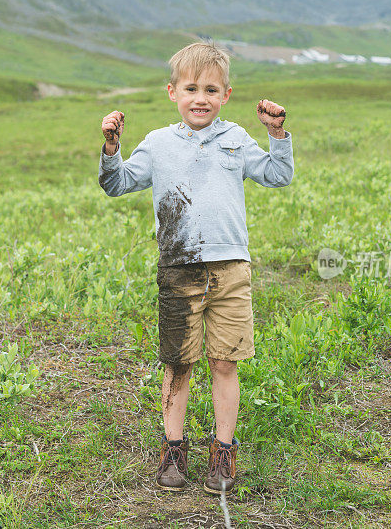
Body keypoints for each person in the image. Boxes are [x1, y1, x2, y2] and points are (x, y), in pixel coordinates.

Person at [98, 42, 294, 494]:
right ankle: (173, 449)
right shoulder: (159, 144)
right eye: (191, 88)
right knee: (178, 364)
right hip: (178, 269)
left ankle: (223, 452)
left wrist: (277, 134)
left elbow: (277, 175)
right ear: (172, 92)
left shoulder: (236, 138)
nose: (200, 98)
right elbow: (117, 182)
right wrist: (112, 147)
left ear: (226, 94)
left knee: (224, 362)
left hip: (230, 269)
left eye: (211, 89)